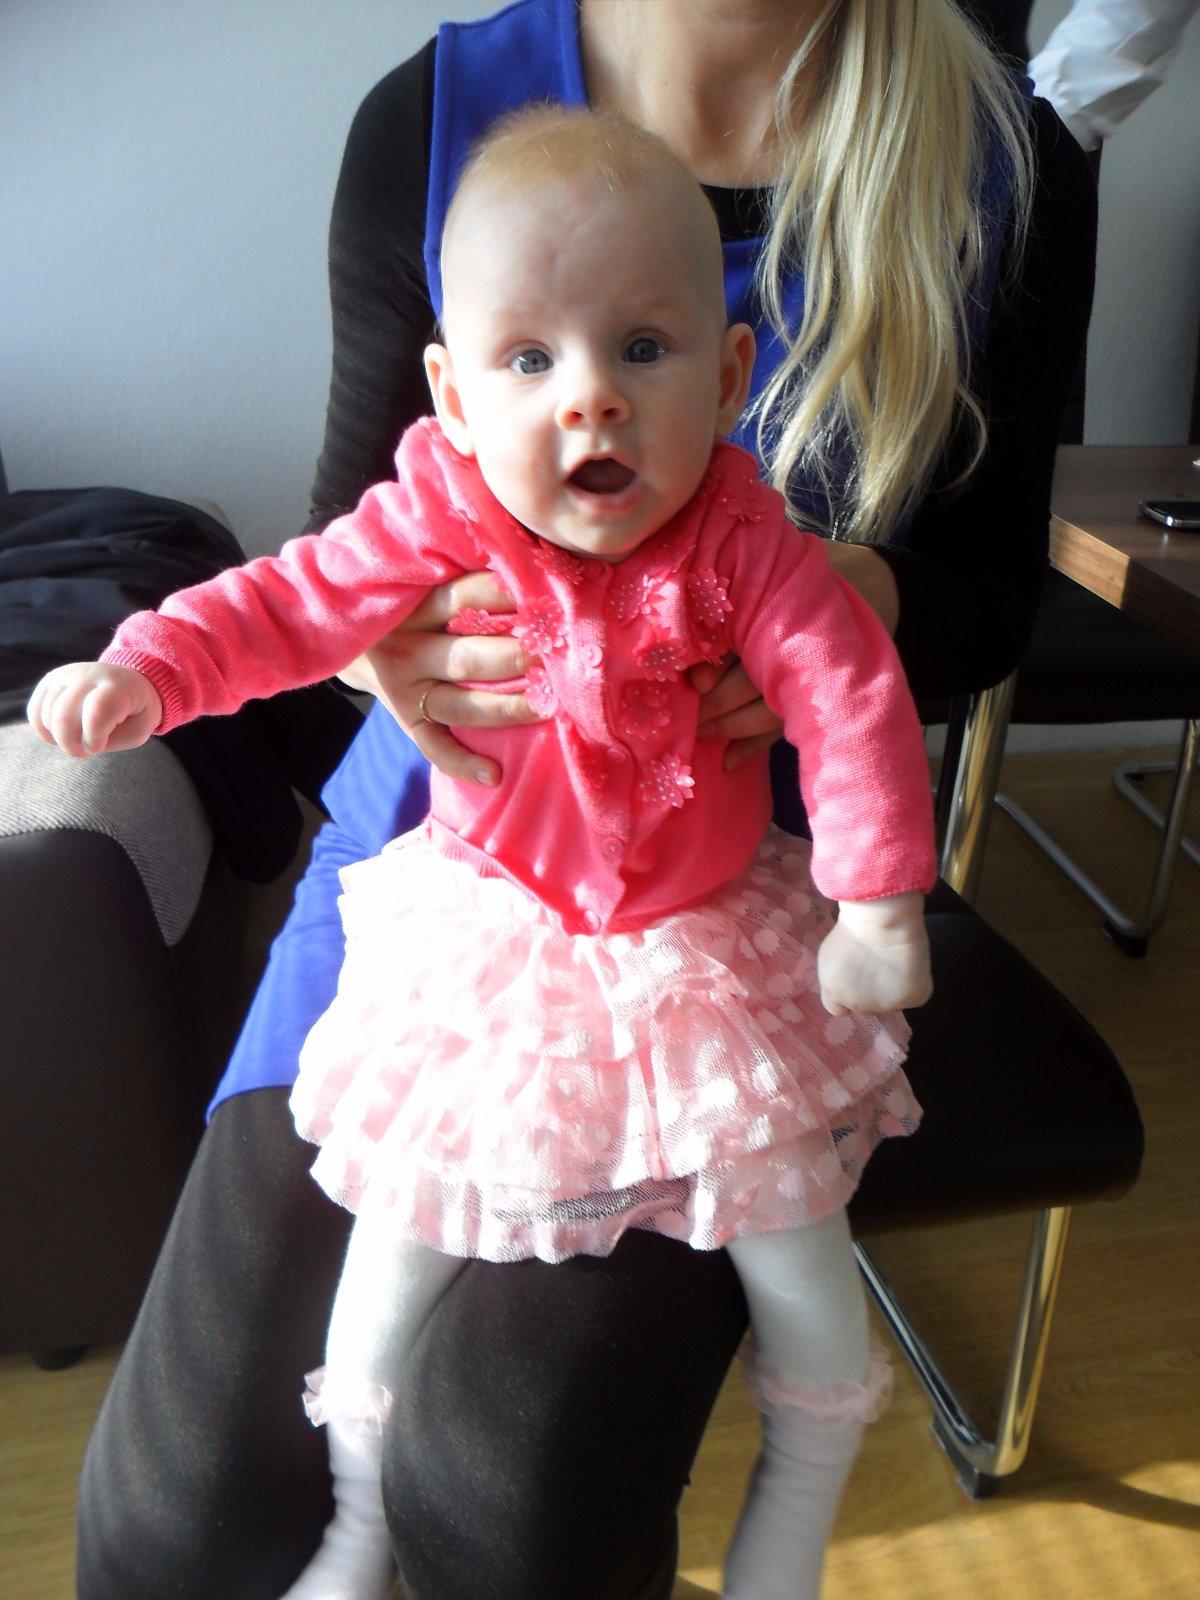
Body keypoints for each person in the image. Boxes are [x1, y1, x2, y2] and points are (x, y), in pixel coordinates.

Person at [72, 4, 1098, 1599]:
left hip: (738, 906)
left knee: (505, 1499)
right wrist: (248, 660)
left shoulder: (1004, 158)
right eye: (535, 360)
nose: (594, 404)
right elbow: (316, 577)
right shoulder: (428, 123)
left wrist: (848, 623)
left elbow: (976, 608)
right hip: (449, 886)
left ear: (726, 370)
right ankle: (353, 1524)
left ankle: (778, 1489)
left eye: (644, 353)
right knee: (169, 1529)